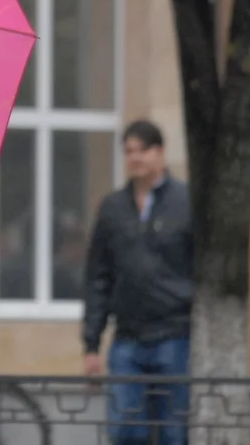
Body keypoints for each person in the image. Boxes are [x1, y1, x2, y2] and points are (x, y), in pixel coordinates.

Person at [82, 120, 192, 445]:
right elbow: (98, 277)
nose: (135, 158)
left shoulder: (186, 202)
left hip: (175, 336)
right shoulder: (113, 208)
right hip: (127, 339)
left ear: (160, 152)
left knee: (174, 433)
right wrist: (91, 344)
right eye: (129, 151)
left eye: (143, 150)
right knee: (126, 432)